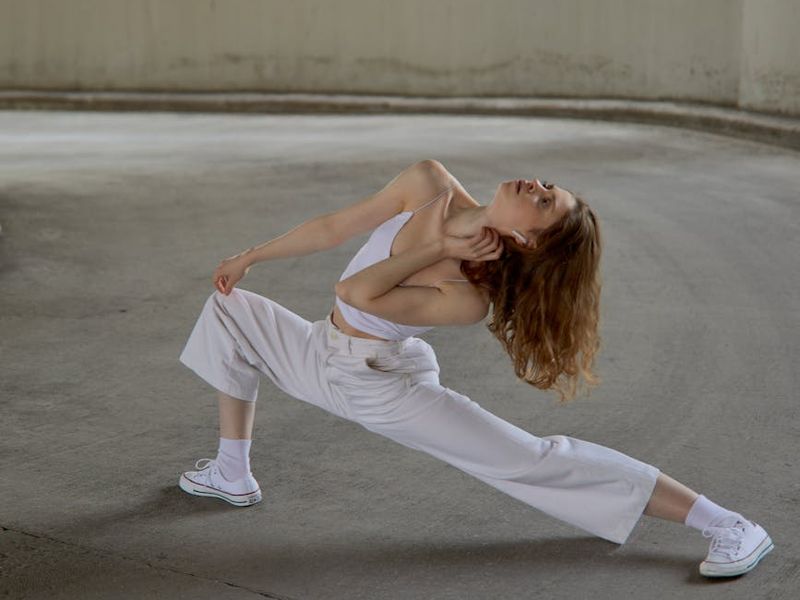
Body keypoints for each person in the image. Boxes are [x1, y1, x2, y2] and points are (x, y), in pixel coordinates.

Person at [178, 159, 773, 578]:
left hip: (380, 384)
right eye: (548, 186)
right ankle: (233, 472)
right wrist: (251, 255)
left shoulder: (466, 293)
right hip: (321, 348)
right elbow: (336, 227)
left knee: (530, 457)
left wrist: (439, 249)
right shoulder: (427, 181)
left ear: (527, 239)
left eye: (543, 203)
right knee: (229, 309)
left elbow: (353, 290)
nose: (535, 186)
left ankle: (726, 522)